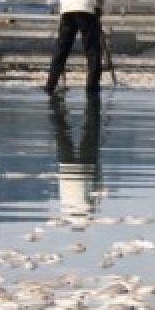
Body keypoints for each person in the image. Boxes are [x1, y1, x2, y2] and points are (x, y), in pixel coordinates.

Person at [44, 0, 107, 95]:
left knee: (62, 49)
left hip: (66, 8)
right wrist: (99, 9)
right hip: (85, 8)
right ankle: (92, 88)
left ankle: (50, 85)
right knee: (92, 50)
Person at [50, 94, 103, 223]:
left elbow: (97, 188)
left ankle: (91, 105)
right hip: (65, 170)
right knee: (61, 133)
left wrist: (98, 169)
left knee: (91, 131)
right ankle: (57, 104)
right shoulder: (64, 208)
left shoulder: (88, 210)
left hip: (85, 170)